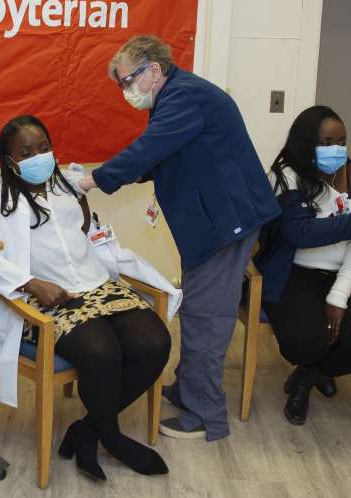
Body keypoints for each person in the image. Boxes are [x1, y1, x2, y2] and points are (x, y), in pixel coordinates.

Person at [78, 35, 280, 441]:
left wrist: (93, 180)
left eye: (128, 81)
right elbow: (167, 154)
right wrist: (132, 173)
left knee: (206, 317)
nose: (125, 92)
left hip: (225, 224)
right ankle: (188, 388)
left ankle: (206, 416)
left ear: (154, 69)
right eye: (120, 84)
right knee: (197, 309)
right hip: (213, 222)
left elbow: (152, 147)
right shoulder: (178, 97)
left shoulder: (184, 96)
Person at [0, 115, 173, 481]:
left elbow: (86, 229)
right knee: (101, 352)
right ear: (10, 160)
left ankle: (89, 430)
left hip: (96, 284)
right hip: (44, 298)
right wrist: (30, 282)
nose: (39, 156)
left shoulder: (66, 183)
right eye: (26, 152)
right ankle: (113, 438)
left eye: (44, 147)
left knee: (155, 342)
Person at [254, 106, 351, 425]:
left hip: (345, 273)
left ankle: (309, 376)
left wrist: (340, 295)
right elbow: (300, 234)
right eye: (326, 142)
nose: (336, 150)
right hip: (294, 273)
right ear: (306, 142)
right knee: (304, 343)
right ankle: (312, 365)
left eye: (342, 142)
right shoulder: (287, 175)